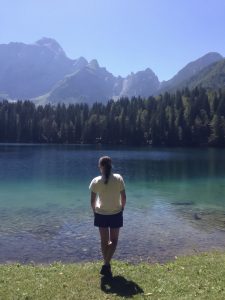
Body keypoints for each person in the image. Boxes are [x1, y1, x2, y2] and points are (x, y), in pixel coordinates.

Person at [89, 156, 126, 277]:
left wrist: (94, 212)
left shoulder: (95, 181)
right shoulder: (119, 178)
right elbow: (124, 197)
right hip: (116, 213)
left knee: (104, 241)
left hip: (101, 214)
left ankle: (106, 265)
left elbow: (92, 201)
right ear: (111, 165)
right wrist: (122, 208)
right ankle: (106, 264)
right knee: (114, 241)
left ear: (100, 167)